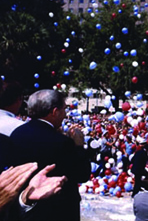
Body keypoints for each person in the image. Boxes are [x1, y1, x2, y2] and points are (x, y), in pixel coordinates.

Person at [10, 89, 91, 220]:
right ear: (55, 112)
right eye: (64, 109)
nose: (65, 114)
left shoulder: (17, 134)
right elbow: (82, 174)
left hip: (23, 207)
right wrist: (78, 146)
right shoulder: (63, 142)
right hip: (58, 211)